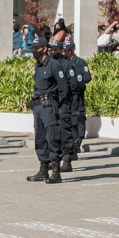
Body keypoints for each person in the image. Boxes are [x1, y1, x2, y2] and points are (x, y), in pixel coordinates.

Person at [26, 36, 69, 184]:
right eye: (33, 48)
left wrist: (56, 106)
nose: (34, 51)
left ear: (45, 49)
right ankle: (43, 170)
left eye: (37, 48)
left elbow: (63, 90)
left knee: (52, 138)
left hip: (50, 107)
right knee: (40, 139)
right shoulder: (38, 65)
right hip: (38, 106)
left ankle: (56, 172)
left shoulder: (54, 65)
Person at [49, 41, 77, 173]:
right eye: (51, 50)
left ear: (61, 50)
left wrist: (65, 98)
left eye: (55, 50)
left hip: (64, 103)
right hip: (53, 103)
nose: (52, 52)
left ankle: (67, 160)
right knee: (54, 133)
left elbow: (73, 85)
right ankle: (55, 160)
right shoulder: (51, 64)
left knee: (65, 132)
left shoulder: (67, 65)